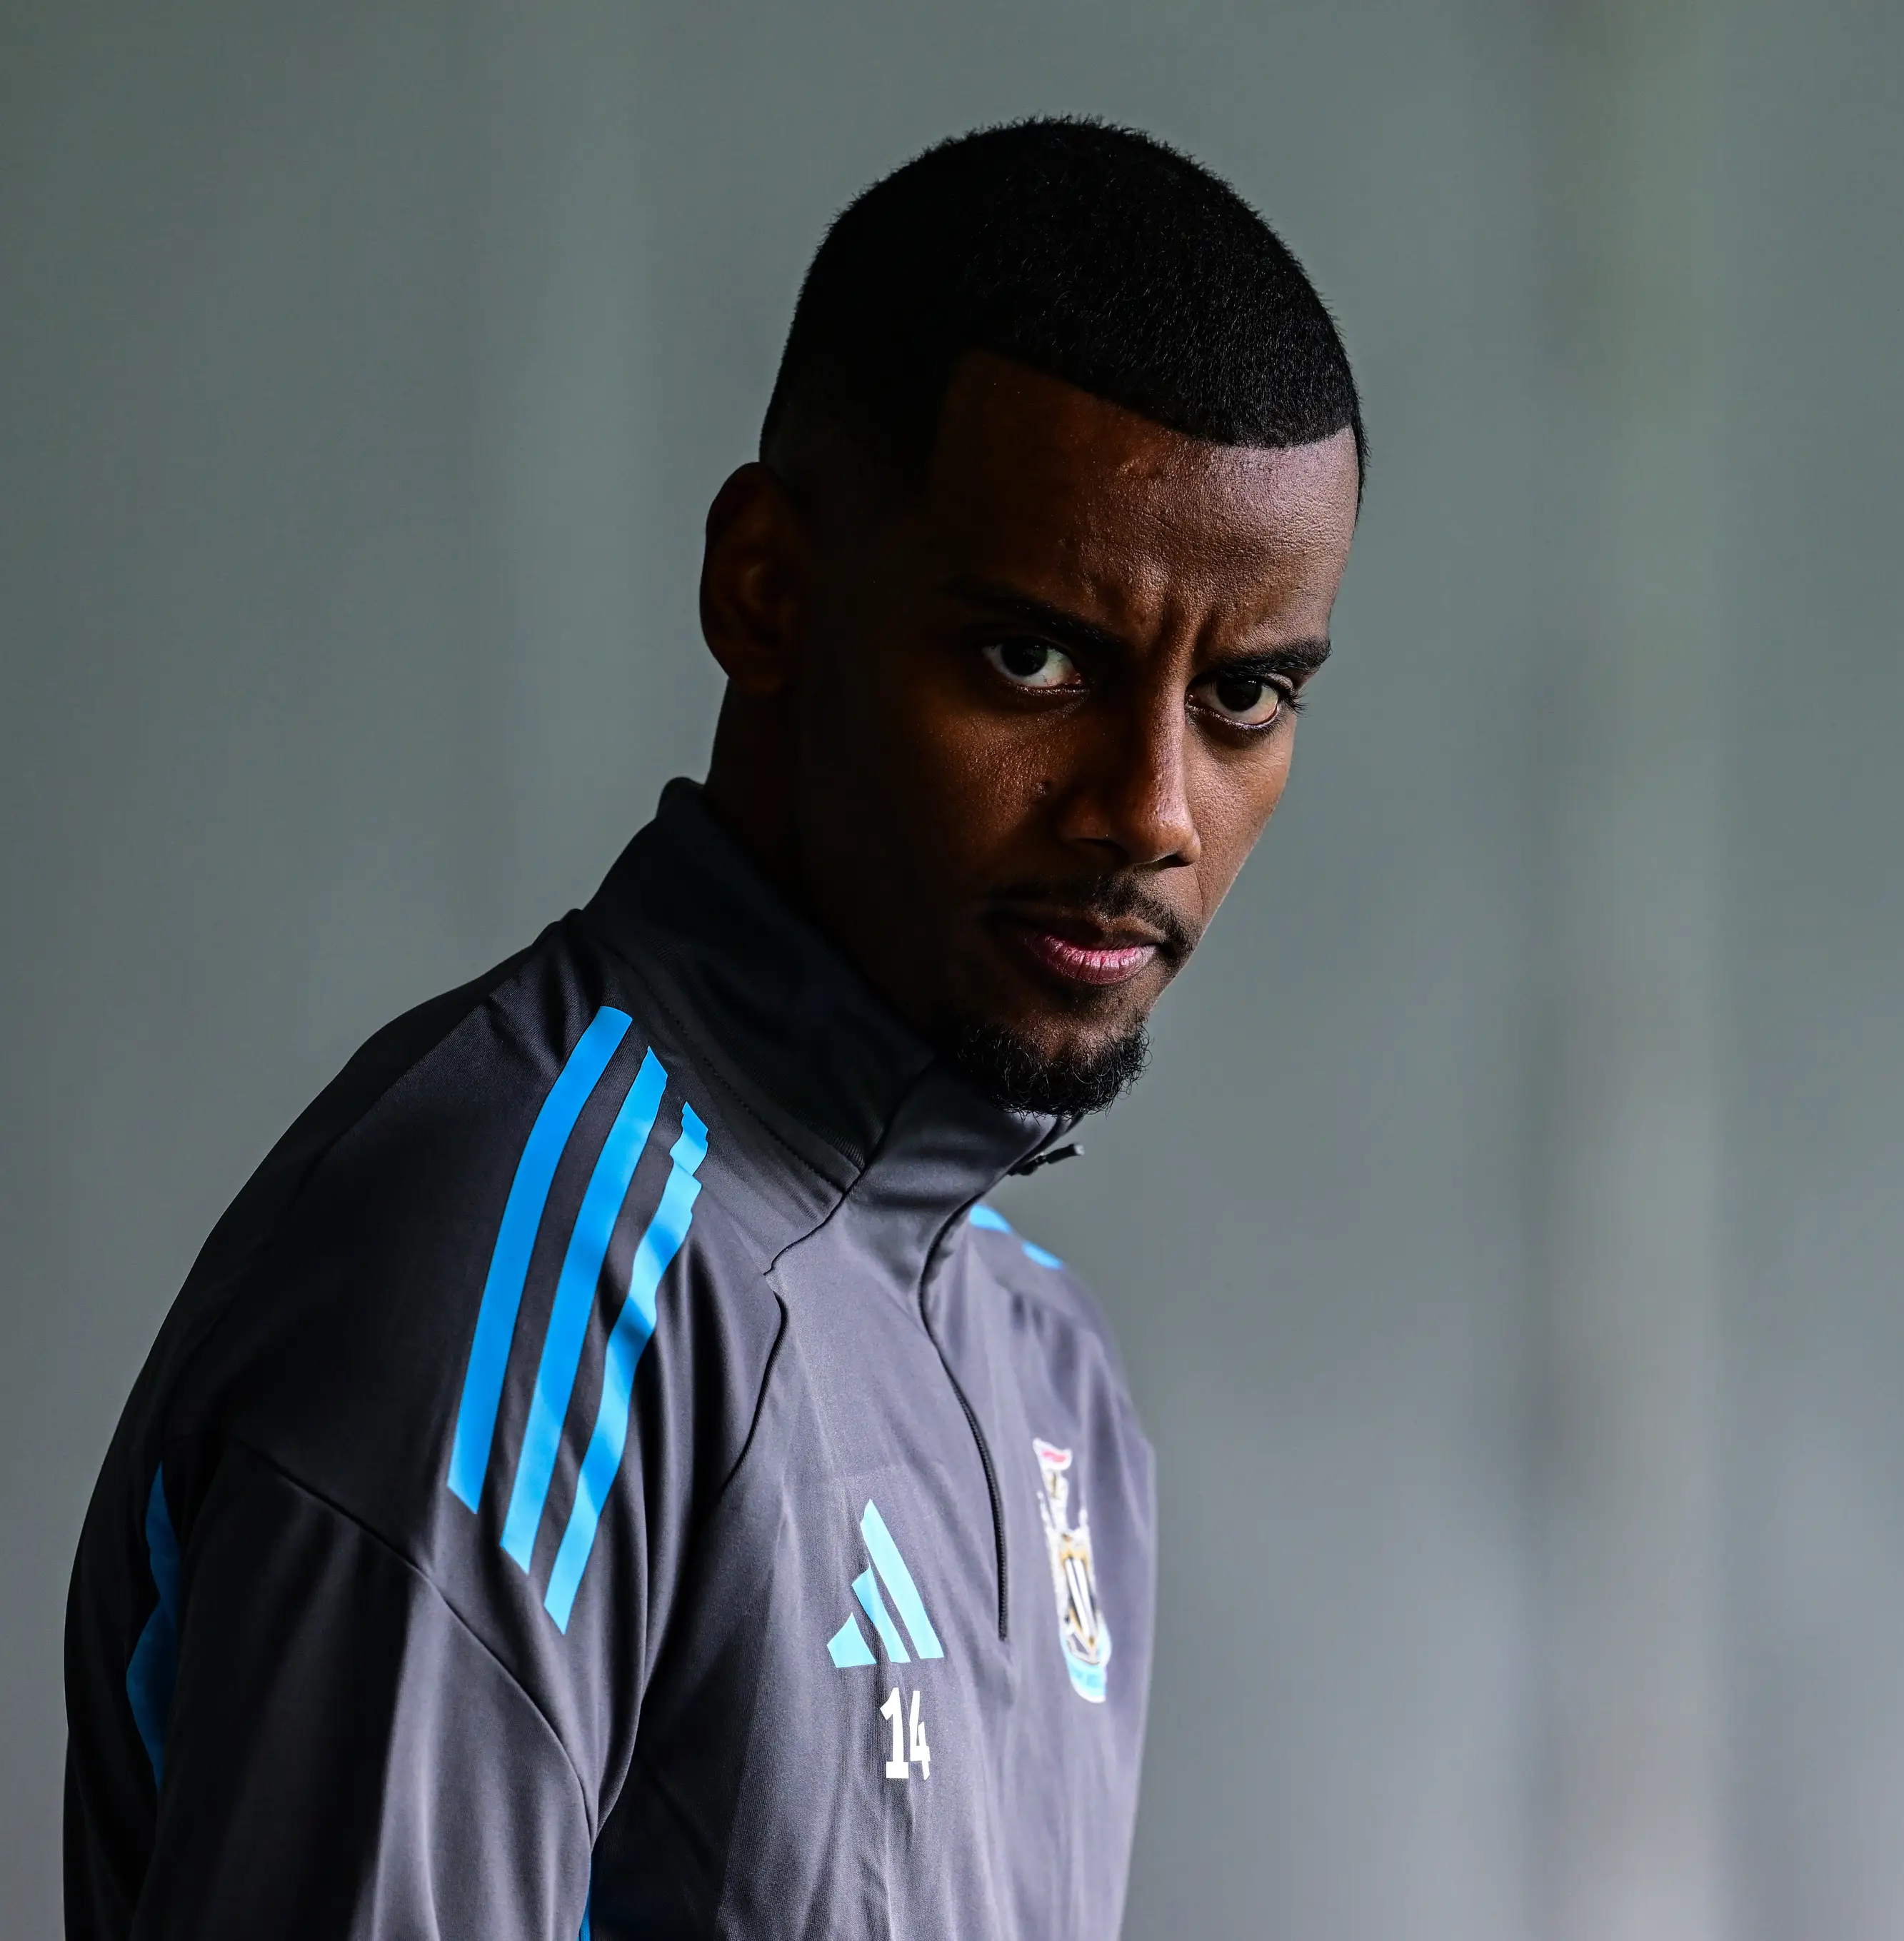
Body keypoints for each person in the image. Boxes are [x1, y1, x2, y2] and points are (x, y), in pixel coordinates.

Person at [63, 118, 1362, 1940]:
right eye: (1033, 659)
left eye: (1241, 697)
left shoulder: (1045, 1371)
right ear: (766, 588)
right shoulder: (514, 1277)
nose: (1151, 807)